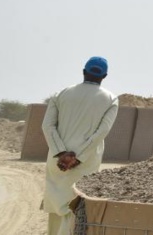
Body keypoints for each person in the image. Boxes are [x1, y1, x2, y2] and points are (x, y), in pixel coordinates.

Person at [42, 56, 119, 235]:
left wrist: (61, 153)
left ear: (83, 71)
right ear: (105, 76)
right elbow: (102, 132)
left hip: (57, 161)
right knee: (76, 206)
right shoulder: (111, 99)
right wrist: (78, 157)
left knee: (56, 204)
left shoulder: (60, 94)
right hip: (86, 162)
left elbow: (47, 126)